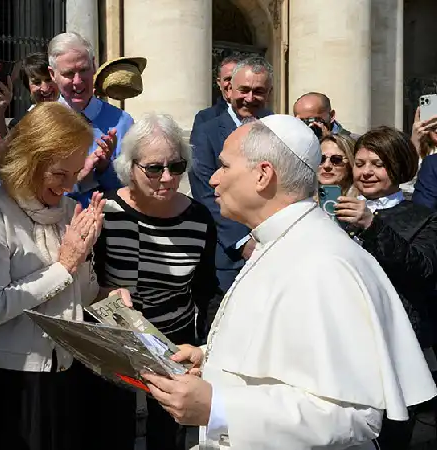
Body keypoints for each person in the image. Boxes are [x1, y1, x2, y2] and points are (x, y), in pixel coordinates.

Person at [143, 114, 436, 450]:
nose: (213, 179)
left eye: (224, 166)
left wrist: (218, 407)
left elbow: (349, 418)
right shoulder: (280, 242)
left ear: (263, 175)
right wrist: (208, 358)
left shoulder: (323, 263)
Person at [0, 102, 130, 450]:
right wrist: (65, 265)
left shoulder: (69, 210)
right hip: (6, 383)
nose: (68, 187)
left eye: (74, 174)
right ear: (31, 160)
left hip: (61, 374)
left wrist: (107, 293)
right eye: (59, 174)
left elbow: (78, 298)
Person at [80, 113, 217, 450]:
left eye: (176, 167)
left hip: (174, 342)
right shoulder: (106, 211)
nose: (167, 178)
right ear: (130, 166)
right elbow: (86, 280)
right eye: (154, 168)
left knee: (167, 435)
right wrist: (104, 293)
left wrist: (210, 347)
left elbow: (206, 290)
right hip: (115, 339)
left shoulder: (199, 218)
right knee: (109, 430)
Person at [334, 126, 437, 449]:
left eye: (377, 164)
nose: (366, 172)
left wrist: (373, 226)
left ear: (398, 165)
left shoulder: (422, 217)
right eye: (360, 163)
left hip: (402, 353)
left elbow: (422, 269)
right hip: (347, 349)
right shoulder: (337, 215)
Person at [188, 56, 273, 337]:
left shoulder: (278, 130)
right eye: (243, 90)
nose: (250, 98)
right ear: (229, 91)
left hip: (273, 254)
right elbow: (205, 194)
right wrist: (243, 241)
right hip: (226, 259)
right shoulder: (207, 133)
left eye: (258, 91)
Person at [48, 32, 133, 207]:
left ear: (94, 65)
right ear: (52, 74)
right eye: (69, 73)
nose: (78, 81)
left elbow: (134, 190)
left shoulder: (122, 122)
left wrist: (104, 169)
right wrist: (77, 180)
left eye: (84, 70)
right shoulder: (39, 122)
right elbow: (30, 190)